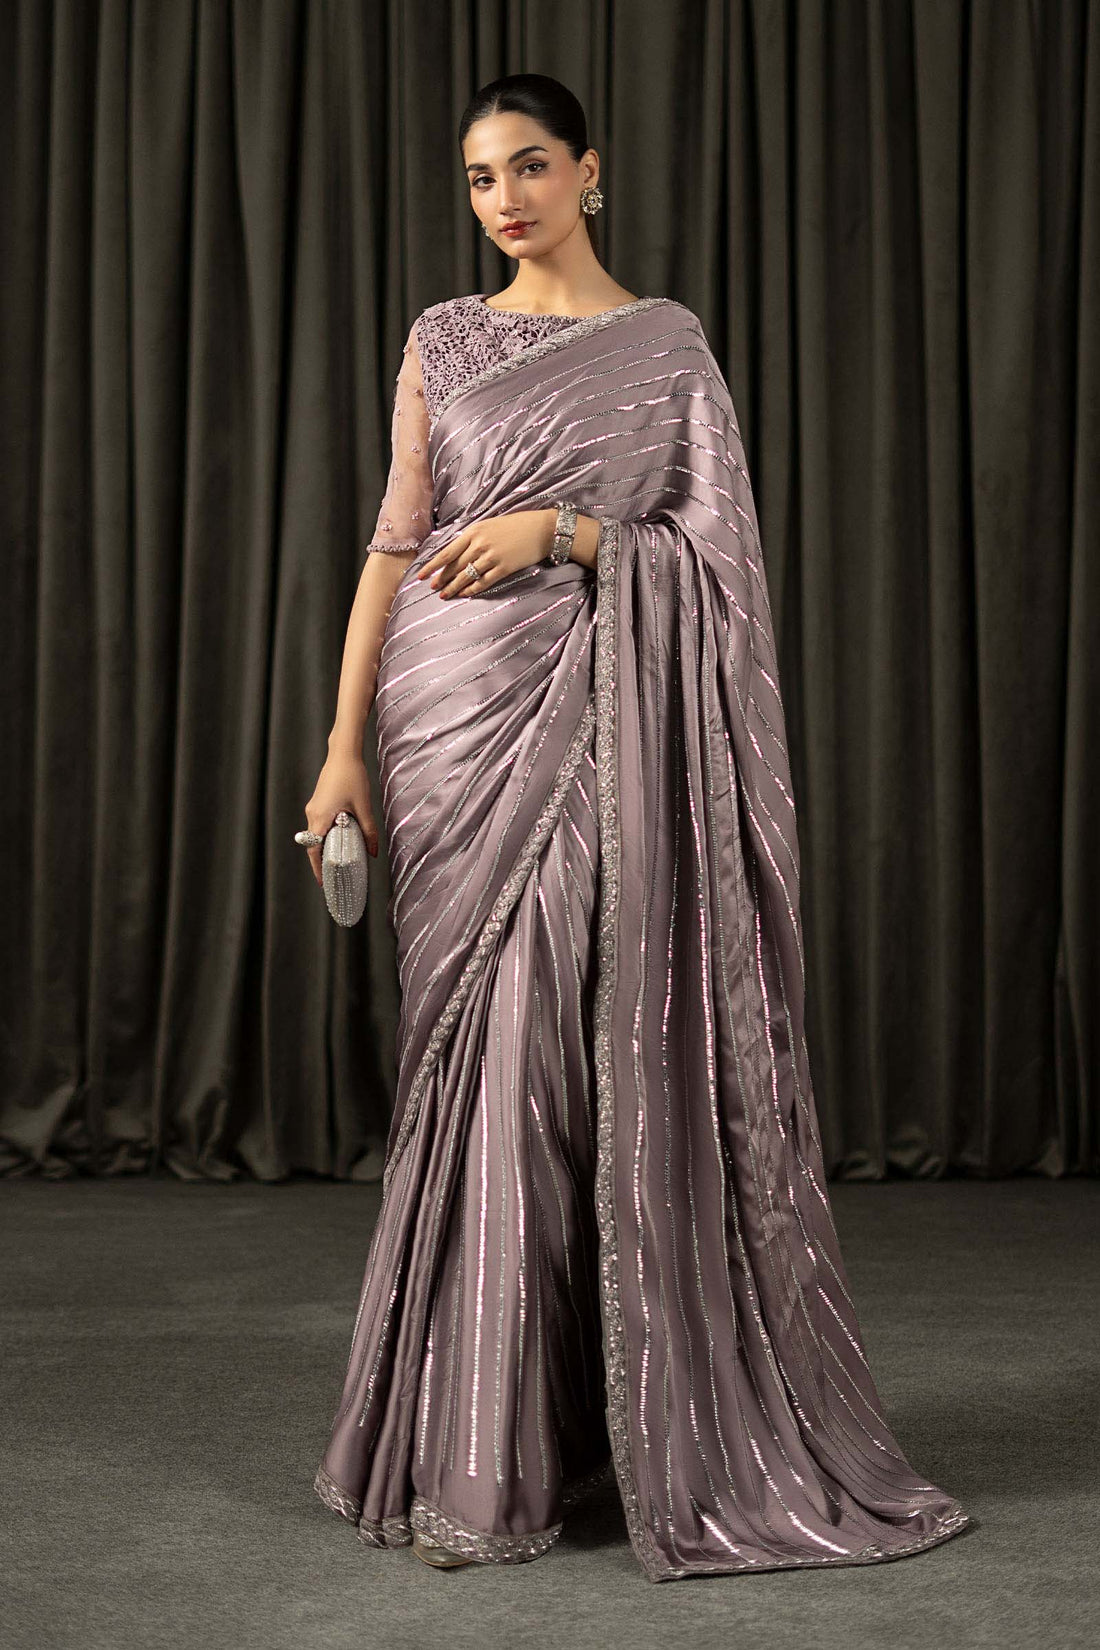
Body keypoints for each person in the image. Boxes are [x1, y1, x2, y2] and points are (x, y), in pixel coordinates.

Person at [303, 73, 970, 1582]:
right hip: (442, 723)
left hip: (599, 720)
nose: (505, 200)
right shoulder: (440, 337)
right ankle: (476, 1448)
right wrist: (341, 749)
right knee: (469, 1065)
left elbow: (716, 567)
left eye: (531, 166)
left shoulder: (665, 346)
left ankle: (536, 1448)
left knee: (555, 1060)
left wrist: (564, 531)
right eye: (481, 178)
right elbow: (393, 546)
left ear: (589, 170)